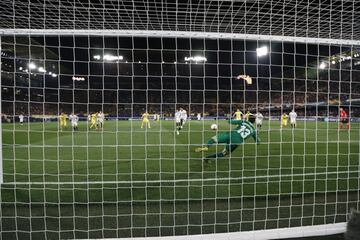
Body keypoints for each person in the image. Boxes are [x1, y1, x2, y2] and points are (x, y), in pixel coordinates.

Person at [195, 116, 260, 163]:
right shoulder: (253, 130)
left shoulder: (244, 122)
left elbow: (230, 121)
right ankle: (207, 158)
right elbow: (258, 141)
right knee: (224, 153)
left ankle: (207, 147)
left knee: (213, 139)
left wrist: (236, 121)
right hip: (237, 142)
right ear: (254, 122)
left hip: (231, 135)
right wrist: (257, 142)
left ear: (248, 119)